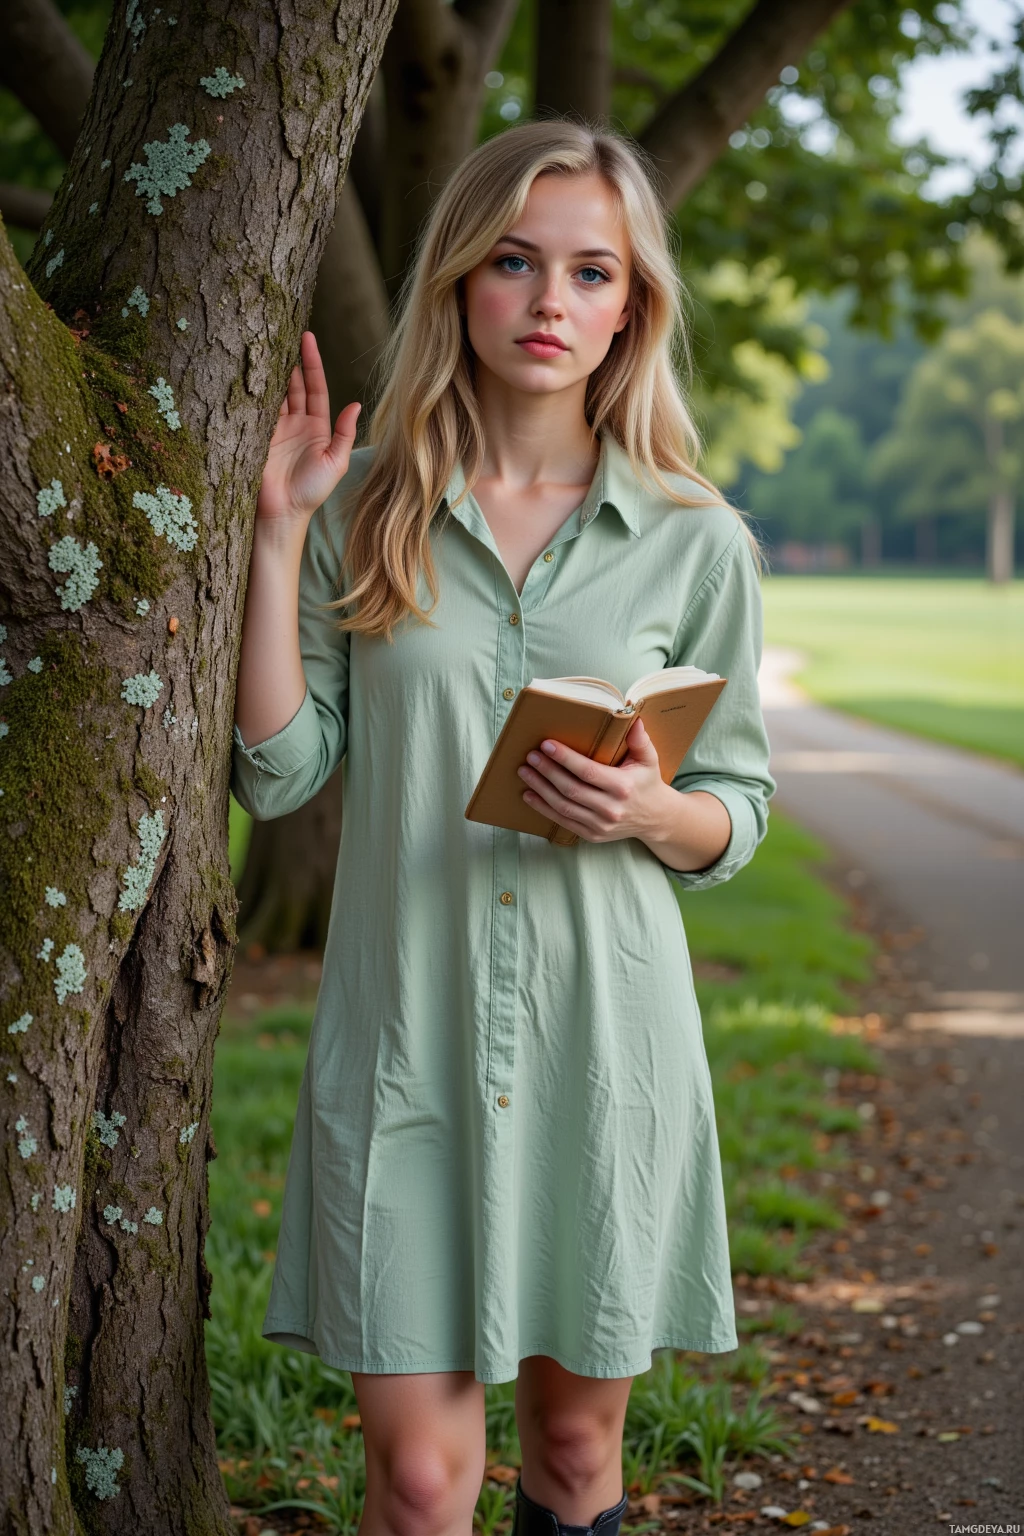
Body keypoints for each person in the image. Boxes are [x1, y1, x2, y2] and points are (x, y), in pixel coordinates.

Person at [231, 118, 776, 1536]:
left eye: (593, 272)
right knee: (418, 1482)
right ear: (458, 281)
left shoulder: (695, 537)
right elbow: (280, 775)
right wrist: (279, 534)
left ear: (632, 305)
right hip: (406, 1034)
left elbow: (743, 812)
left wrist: (658, 809)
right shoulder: (365, 503)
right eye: (516, 263)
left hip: (607, 1048)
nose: (551, 303)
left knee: (579, 1461)